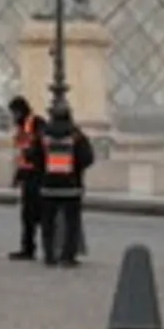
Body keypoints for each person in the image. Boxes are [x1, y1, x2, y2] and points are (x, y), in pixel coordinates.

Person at [39, 100, 96, 268]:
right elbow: (87, 158)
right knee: (72, 224)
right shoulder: (77, 136)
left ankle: (49, 255)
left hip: (48, 186)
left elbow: (34, 157)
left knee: (48, 224)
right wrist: (75, 169)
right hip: (71, 187)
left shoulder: (43, 135)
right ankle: (67, 256)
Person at [6, 95, 47, 262]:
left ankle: (48, 248)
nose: (12, 117)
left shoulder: (35, 123)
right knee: (27, 216)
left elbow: (41, 146)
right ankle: (28, 248)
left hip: (38, 176)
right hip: (28, 176)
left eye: (13, 112)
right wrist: (18, 176)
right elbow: (22, 154)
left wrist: (33, 154)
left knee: (40, 214)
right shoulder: (22, 127)